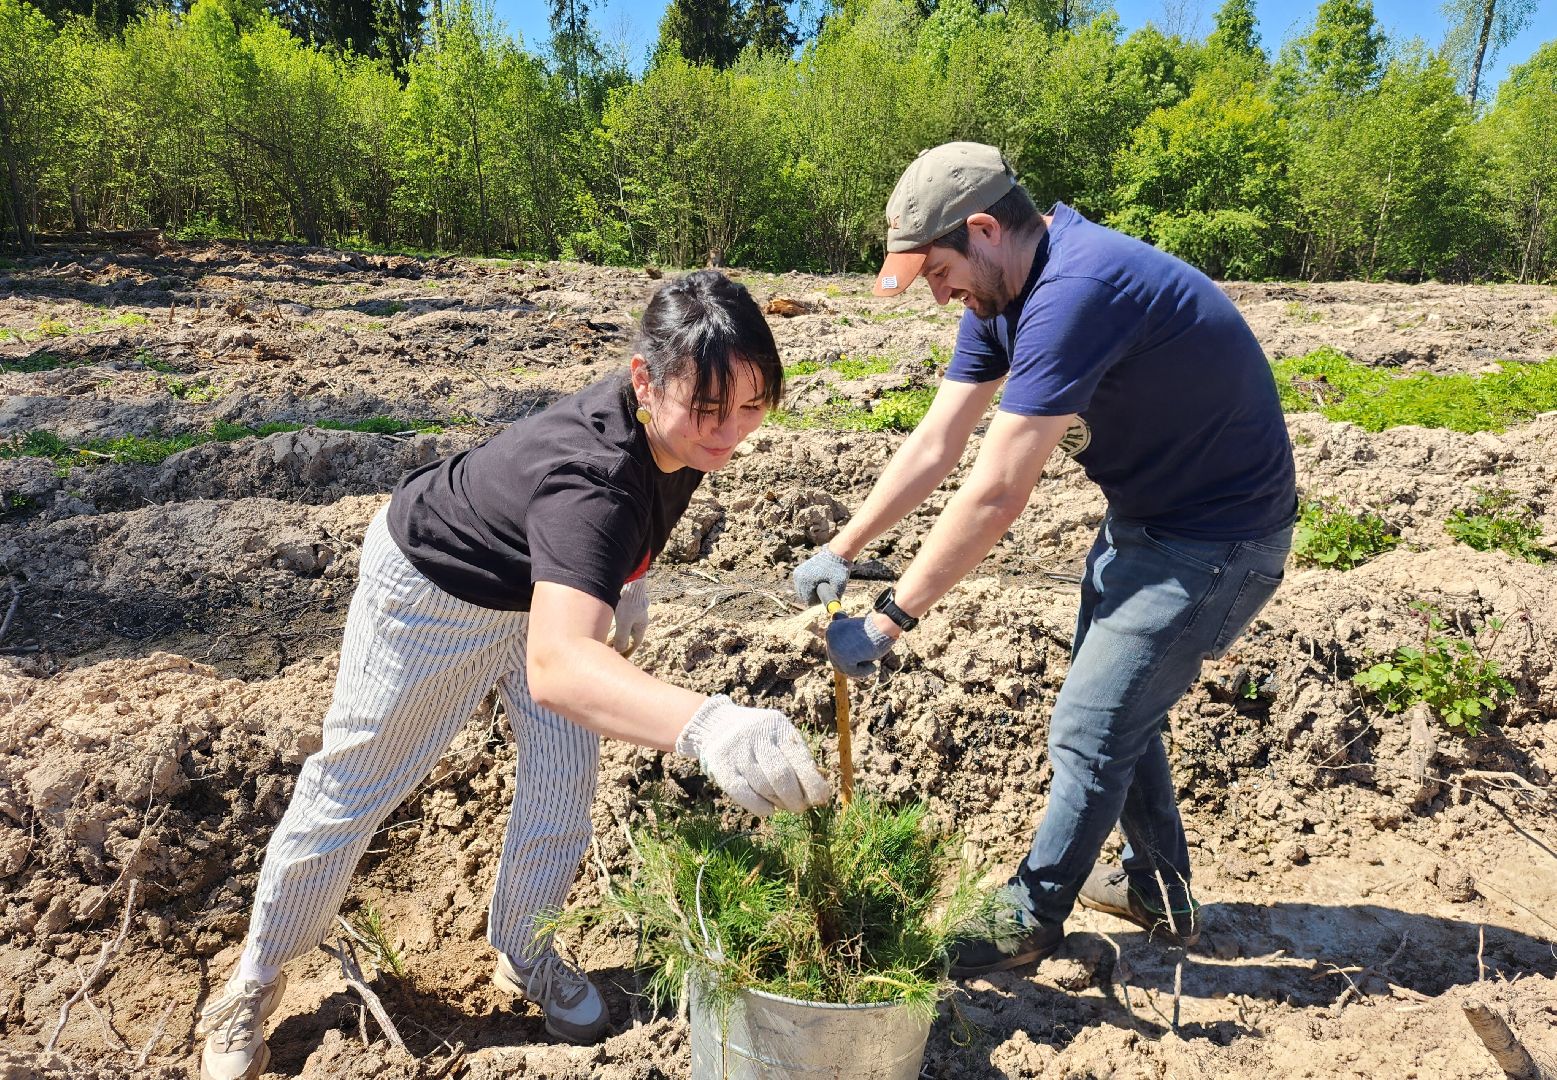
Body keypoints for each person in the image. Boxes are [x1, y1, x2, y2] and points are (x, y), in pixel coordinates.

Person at [198, 270, 831, 1080]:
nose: (729, 432)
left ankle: (525, 952)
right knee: (353, 787)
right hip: (433, 589)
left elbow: (612, 535)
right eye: (709, 410)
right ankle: (253, 978)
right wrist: (707, 724)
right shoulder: (593, 480)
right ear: (644, 379)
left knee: (563, 787)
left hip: (545, 594)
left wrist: (625, 577)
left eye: (751, 408)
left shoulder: (678, 423)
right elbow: (561, 668)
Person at [792, 142, 1296, 976]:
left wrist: (889, 620)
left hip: (1220, 541)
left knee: (1091, 725)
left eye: (937, 271)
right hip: (1148, 521)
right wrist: (842, 546)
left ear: (984, 229)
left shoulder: (1077, 292)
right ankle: (1158, 892)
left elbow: (995, 490)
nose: (936, 291)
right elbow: (938, 441)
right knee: (1117, 709)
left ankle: (1029, 919)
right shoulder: (998, 297)